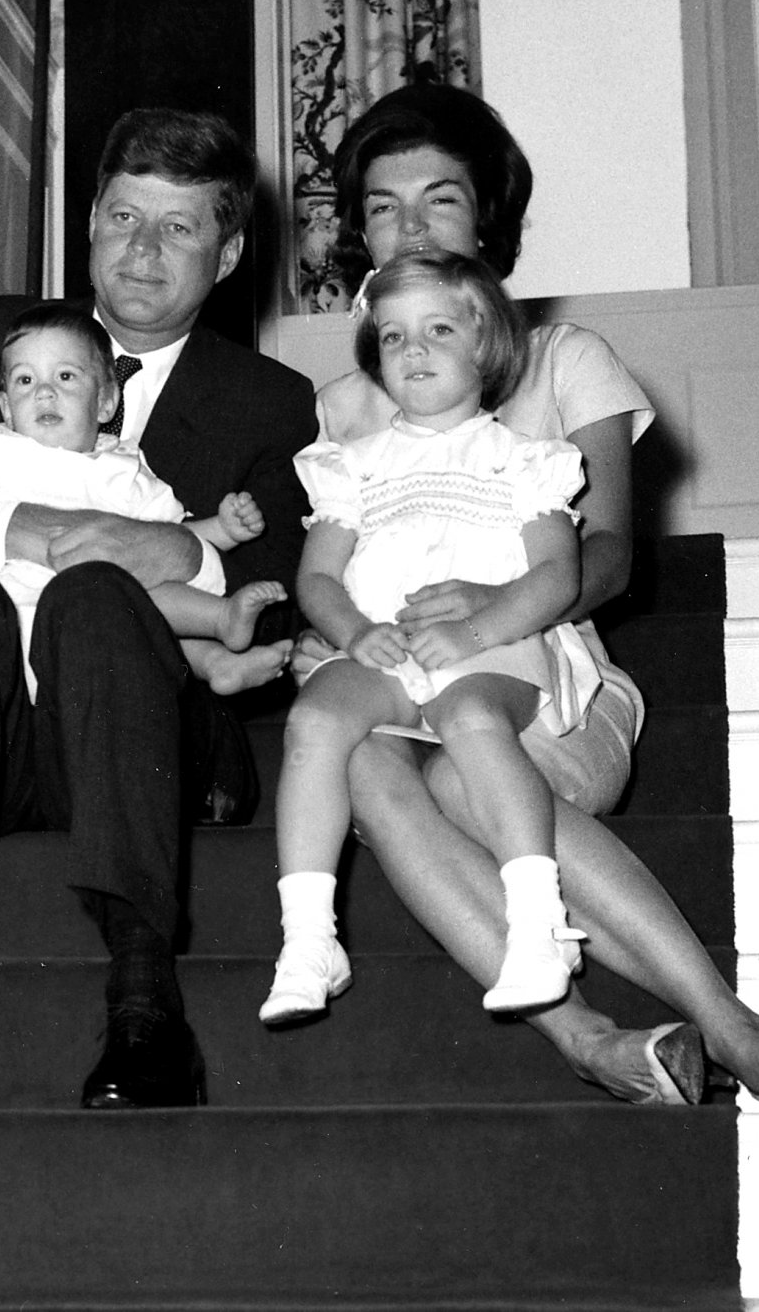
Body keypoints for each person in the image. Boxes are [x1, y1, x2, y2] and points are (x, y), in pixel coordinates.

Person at [293, 82, 759, 1111]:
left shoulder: (566, 360)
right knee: (364, 757)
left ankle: (740, 1034)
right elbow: (334, 573)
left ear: (488, 222)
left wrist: (494, 601)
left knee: (470, 774)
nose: (409, 225)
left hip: (547, 679)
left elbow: (609, 557)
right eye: (383, 206)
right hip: (403, 689)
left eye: (441, 200)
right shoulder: (344, 404)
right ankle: (591, 1039)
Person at [0, 106, 318, 1111]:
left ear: (226, 257)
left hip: (140, 734)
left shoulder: (271, 396)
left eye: (179, 229)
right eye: (125, 217)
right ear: (88, 220)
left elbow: (281, 584)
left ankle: (145, 1009)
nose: (141, 250)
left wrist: (178, 548)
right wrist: (24, 525)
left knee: (94, 595)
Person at [263, 252, 600, 1024]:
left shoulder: (524, 461)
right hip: (387, 647)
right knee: (315, 720)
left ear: (487, 345)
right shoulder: (353, 466)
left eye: (438, 330)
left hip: (491, 647)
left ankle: (536, 922)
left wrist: (478, 629)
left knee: (470, 720)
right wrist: (355, 632)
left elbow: (556, 576)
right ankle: (310, 937)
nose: (412, 351)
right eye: (392, 337)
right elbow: (318, 577)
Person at [0, 306, 291, 699]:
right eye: (25, 380)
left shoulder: (123, 470)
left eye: (65, 376)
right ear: (5, 407)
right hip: (7, 619)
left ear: (105, 402)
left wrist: (222, 529)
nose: (44, 391)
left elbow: (169, 540)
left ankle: (220, 643)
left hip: (101, 637)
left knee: (145, 594)